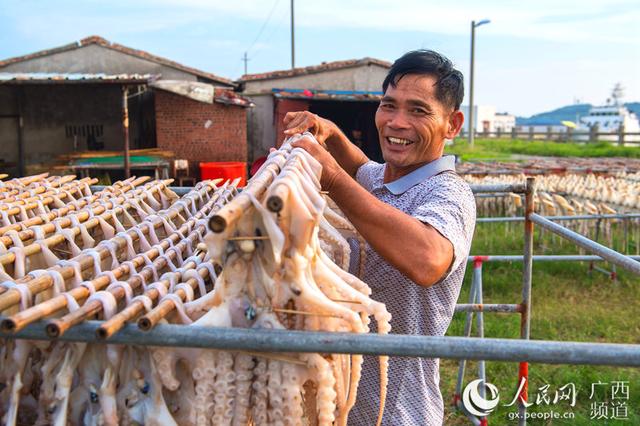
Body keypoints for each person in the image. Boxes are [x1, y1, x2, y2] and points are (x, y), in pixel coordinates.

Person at [283, 49, 476, 425]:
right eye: (389, 106)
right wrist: (330, 132)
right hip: (336, 401)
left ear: (452, 125)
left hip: (397, 411)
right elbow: (361, 167)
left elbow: (428, 259)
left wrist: (333, 180)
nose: (397, 122)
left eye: (418, 111)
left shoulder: (449, 194)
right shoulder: (383, 179)